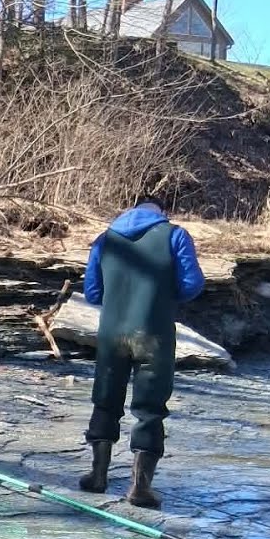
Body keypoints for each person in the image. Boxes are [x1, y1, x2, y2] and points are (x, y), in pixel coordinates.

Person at [78, 196, 205, 509]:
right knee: (150, 407)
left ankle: (97, 475)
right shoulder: (175, 235)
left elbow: (92, 293)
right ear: (161, 212)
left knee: (105, 400)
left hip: (111, 334)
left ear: (128, 210)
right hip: (154, 334)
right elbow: (192, 285)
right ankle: (139, 487)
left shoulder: (104, 239)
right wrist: (161, 292)